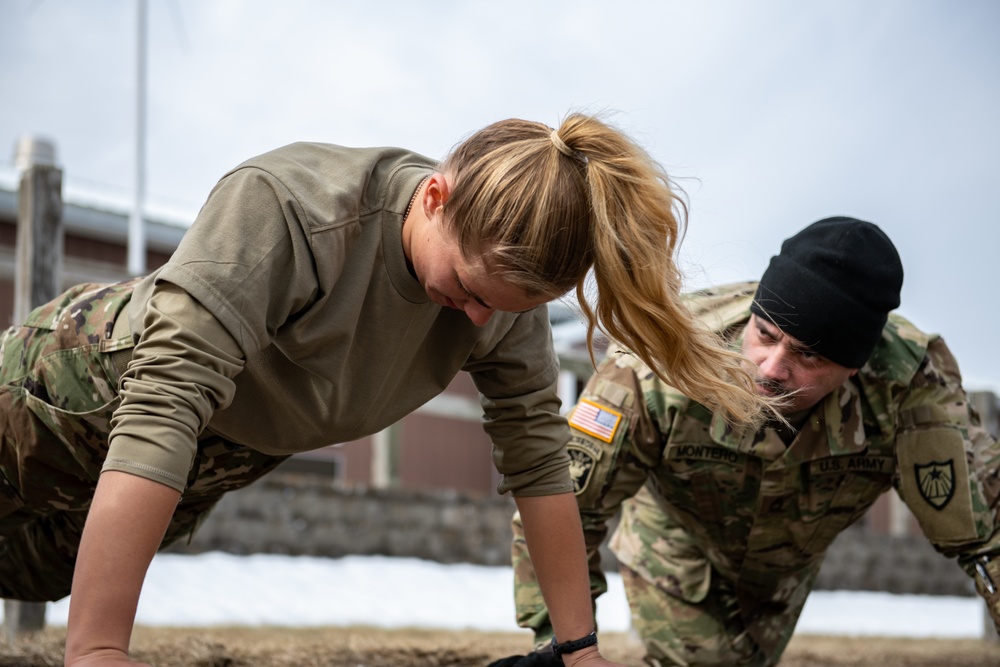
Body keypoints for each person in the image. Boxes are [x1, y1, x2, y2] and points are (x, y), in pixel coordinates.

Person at [0, 113, 776, 667]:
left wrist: (577, 649)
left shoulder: (503, 305)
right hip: (75, 386)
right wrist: (100, 647)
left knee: (30, 570)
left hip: (218, 452)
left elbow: (541, 465)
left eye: (502, 309)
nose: (477, 320)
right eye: (469, 288)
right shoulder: (291, 207)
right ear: (435, 197)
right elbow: (163, 403)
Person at [495, 216, 1000, 667]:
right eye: (765, 334)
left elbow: (986, 534)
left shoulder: (912, 386)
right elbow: (563, 504)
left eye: (807, 357)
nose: (772, 368)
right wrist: (567, 649)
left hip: (784, 566)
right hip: (679, 543)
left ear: (854, 367)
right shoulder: (667, 357)